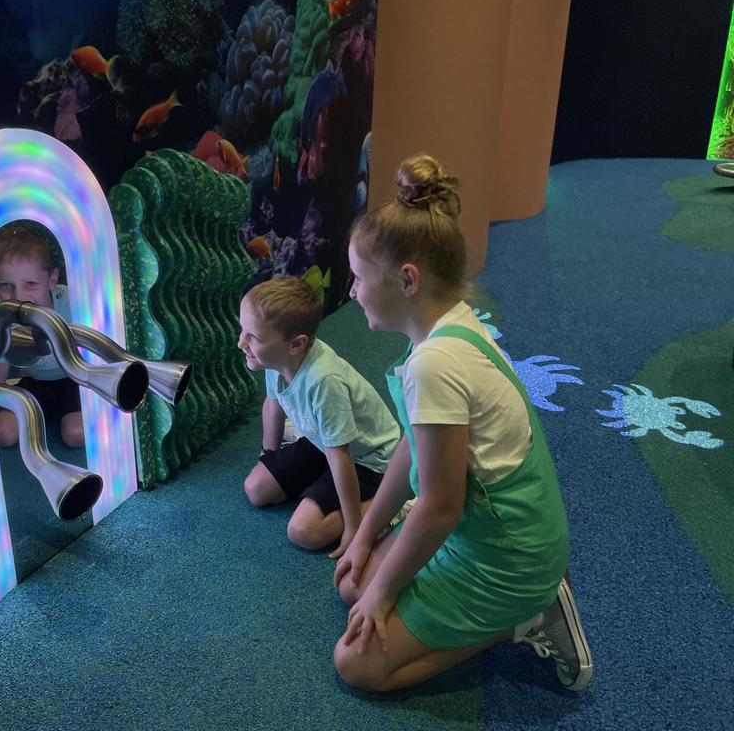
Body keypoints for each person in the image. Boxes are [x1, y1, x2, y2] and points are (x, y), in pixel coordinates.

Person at [332, 154, 593, 693]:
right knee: (353, 586)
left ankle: (524, 618)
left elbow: (441, 504)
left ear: (407, 280)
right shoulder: (448, 322)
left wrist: (385, 592)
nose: (353, 291)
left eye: (359, 277)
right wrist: (364, 533)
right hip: (481, 529)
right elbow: (413, 442)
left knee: (356, 663)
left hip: (505, 555)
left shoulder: (434, 364)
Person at [238, 276, 401, 557]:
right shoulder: (274, 358)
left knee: (304, 532)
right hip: (322, 442)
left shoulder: (324, 382)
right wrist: (269, 456)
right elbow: (272, 406)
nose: (241, 343)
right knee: (256, 488)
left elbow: (341, 457)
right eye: (243, 331)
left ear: (296, 345)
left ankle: (396, 500)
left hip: (368, 460)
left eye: (253, 337)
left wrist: (353, 527)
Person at [0, 225, 84, 449]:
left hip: (77, 380)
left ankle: (62, 413)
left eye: (31, 284)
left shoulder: (74, 300)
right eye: (5, 286)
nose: (18, 296)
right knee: (3, 434)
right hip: (36, 383)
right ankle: (48, 411)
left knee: (75, 434)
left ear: (52, 279)